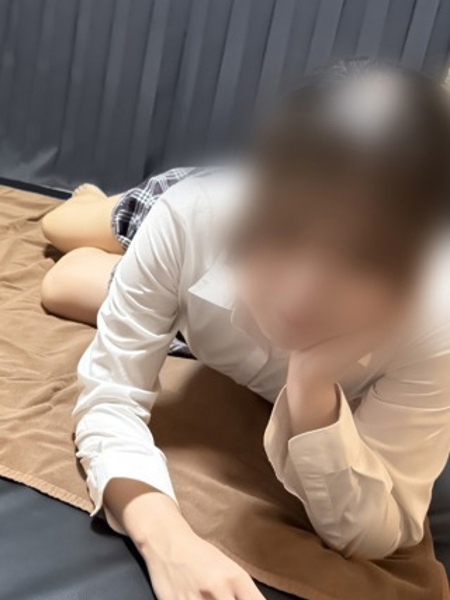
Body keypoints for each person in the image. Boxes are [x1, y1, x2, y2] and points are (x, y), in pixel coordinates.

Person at [41, 61, 450, 600]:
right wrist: (167, 541)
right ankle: (103, 206)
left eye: (362, 258)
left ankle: (149, 286)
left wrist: (312, 389)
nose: (301, 295)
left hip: (206, 305)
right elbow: (109, 398)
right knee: (59, 248)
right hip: (184, 224)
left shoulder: (434, 322)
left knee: (86, 288)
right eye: (286, 230)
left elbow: (377, 530)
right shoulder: (192, 217)